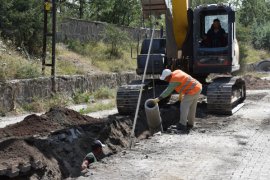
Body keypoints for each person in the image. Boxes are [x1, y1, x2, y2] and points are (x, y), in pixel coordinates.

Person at [153, 69, 202, 133]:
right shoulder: (177, 71)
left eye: (165, 78)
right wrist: (181, 95)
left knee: (184, 106)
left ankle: (182, 125)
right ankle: (190, 124)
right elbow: (183, 81)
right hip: (198, 87)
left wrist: (158, 99)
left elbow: (168, 91)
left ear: (169, 76)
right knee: (192, 107)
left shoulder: (174, 80)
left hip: (192, 91)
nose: (165, 80)